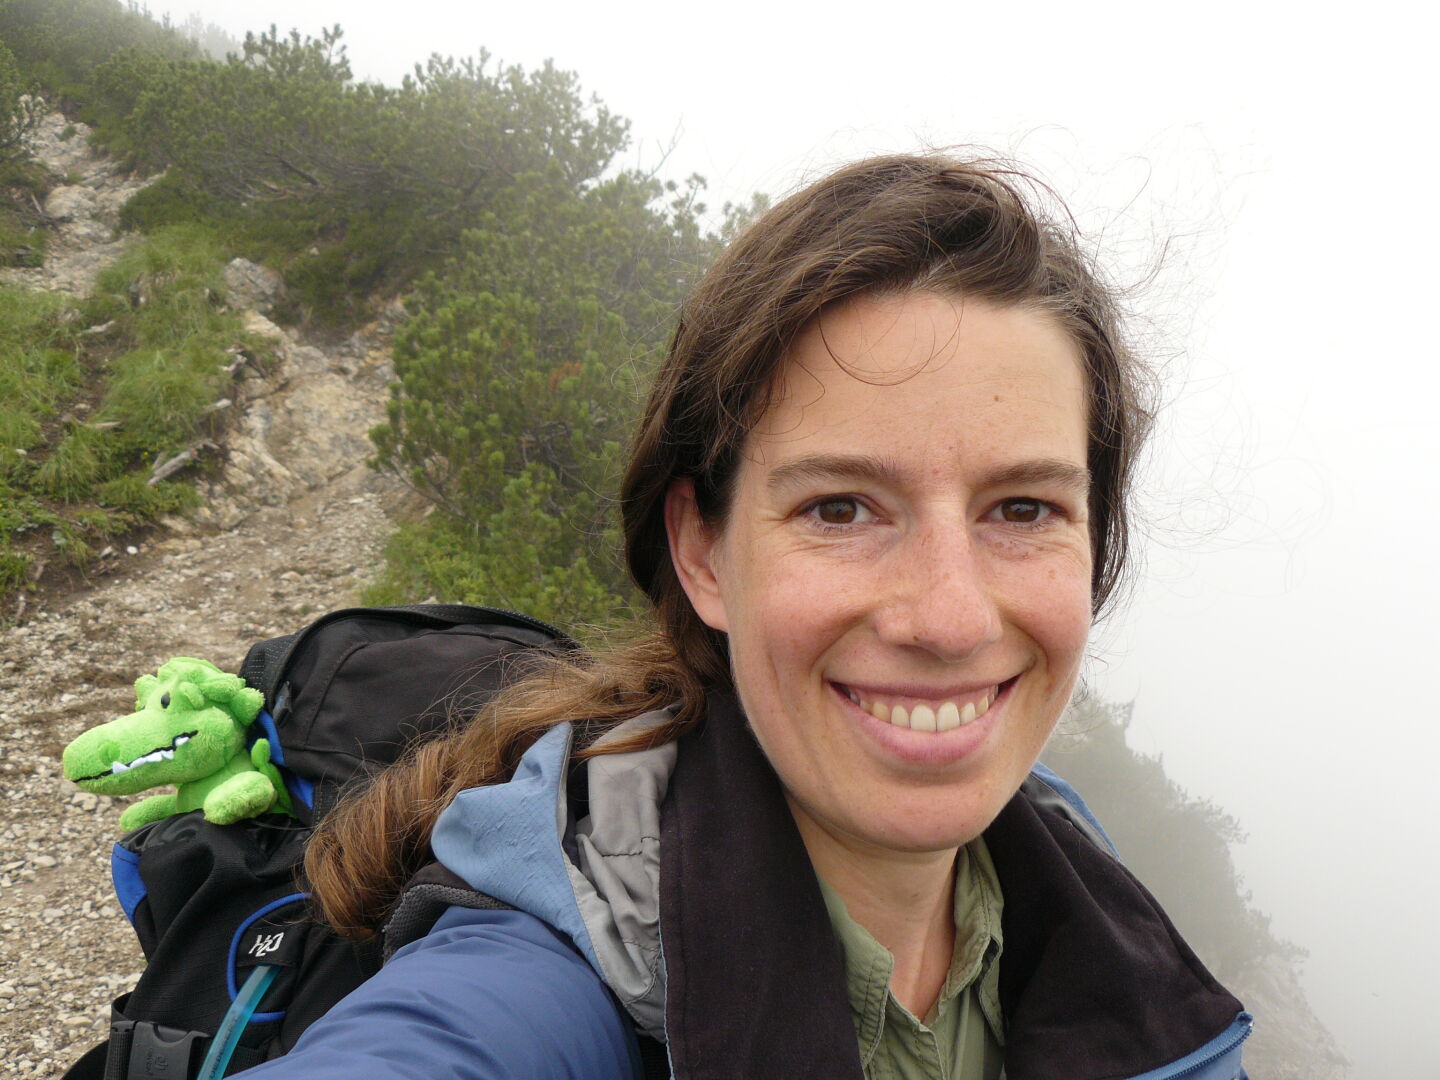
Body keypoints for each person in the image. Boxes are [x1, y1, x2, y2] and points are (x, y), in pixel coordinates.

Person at [237, 155, 1252, 1079]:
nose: (948, 617)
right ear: (702, 551)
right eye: (841, 508)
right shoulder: (541, 981)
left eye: (1023, 509)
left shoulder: (1086, 892)